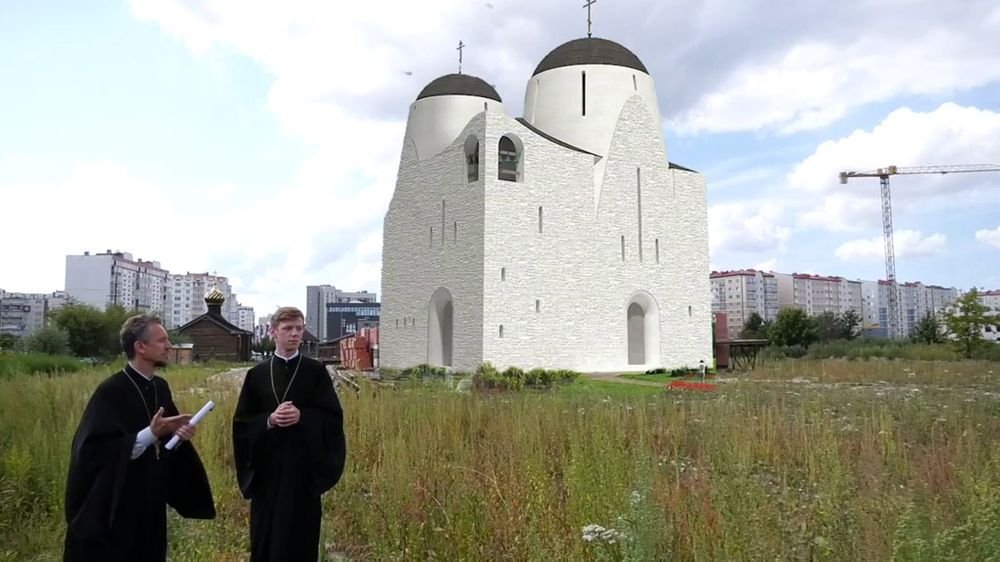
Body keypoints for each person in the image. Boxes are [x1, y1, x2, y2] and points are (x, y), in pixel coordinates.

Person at [63, 315, 215, 561]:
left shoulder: (160, 387)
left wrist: (178, 436)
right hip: (118, 501)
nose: (169, 346)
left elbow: (164, 445)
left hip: (151, 497)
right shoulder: (111, 391)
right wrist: (150, 434)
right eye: (162, 340)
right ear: (140, 347)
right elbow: (92, 452)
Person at [232, 306, 347, 562]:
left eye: (299, 328)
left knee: (300, 538)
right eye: (288, 329)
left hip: (302, 471)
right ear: (274, 332)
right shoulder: (257, 374)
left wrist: (302, 417)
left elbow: (332, 418)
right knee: (266, 537)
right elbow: (242, 424)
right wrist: (270, 421)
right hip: (267, 472)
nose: (295, 334)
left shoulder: (315, 372)